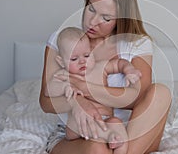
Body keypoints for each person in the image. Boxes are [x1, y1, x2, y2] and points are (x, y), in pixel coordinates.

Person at [39, 0, 172, 153]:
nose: (93, 22)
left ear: (121, 19)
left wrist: (85, 88)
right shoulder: (65, 40)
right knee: (97, 148)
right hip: (77, 135)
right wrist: (76, 103)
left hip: (128, 131)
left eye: (106, 18)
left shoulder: (136, 44)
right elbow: (45, 102)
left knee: (161, 93)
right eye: (91, 9)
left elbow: (137, 98)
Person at [46, 26, 142, 154]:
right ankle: (109, 136)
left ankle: (119, 148)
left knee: (116, 123)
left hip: (106, 120)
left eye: (86, 55)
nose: (82, 61)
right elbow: (48, 90)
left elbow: (119, 63)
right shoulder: (65, 75)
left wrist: (129, 70)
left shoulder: (100, 67)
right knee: (80, 119)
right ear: (61, 61)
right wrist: (65, 87)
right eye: (74, 59)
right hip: (76, 126)